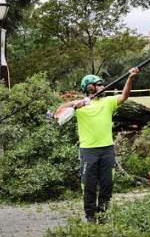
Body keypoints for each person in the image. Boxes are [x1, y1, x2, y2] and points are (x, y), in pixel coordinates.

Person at [54, 67, 140, 222]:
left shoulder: (108, 102)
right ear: (90, 87)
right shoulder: (80, 104)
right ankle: (90, 216)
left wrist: (130, 78)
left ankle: (103, 214)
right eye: (99, 84)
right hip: (88, 151)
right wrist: (75, 105)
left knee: (107, 185)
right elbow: (58, 112)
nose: (103, 87)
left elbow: (125, 96)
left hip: (107, 150)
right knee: (89, 186)